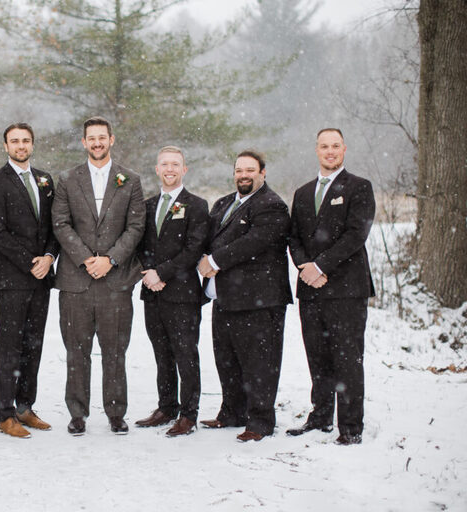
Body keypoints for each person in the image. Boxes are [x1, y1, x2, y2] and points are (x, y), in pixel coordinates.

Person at [52, 116, 146, 436]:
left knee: (115, 350)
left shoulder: (130, 180)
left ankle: (116, 412)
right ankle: (77, 414)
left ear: (111, 140)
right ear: (83, 142)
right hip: (75, 282)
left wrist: (111, 259)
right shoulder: (67, 179)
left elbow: (136, 226)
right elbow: (61, 223)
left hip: (115, 282)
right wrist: (85, 259)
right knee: (76, 352)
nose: (97, 143)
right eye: (91, 138)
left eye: (102, 137)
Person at [286, 128, 375, 445]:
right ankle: (320, 416)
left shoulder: (359, 187)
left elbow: (355, 235)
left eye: (335, 145)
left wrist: (321, 266)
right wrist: (304, 266)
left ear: (344, 149)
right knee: (318, 356)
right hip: (311, 289)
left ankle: (350, 427)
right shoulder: (303, 192)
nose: (330, 151)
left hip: (347, 289)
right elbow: (293, 237)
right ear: (317, 150)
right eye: (324, 146)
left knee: (347, 359)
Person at [197, 150, 292, 442]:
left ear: (263, 172)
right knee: (227, 359)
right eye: (239, 170)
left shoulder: (271, 205)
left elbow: (254, 242)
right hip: (226, 298)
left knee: (259, 362)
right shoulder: (224, 203)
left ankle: (260, 421)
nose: (244, 175)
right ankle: (232, 412)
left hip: (259, 300)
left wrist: (215, 261)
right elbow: (208, 239)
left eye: (250, 170)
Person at [0, 123, 59, 438]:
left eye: (26, 140)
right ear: (6, 146)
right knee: (10, 346)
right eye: (15, 141)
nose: (21, 145)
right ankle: (5, 414)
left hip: (42, 279)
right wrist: (30, 263)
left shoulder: (45, 179)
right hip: (14, 278)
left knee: (34, 345)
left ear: (32, 144)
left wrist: (49, 257)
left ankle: (25, 406)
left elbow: (54, 225)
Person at [135, 146, 209, 437]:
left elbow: (193, 248)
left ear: (184, 169)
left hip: (182, 295)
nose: (169, 169)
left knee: (186, 355)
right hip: (152, 293)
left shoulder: (197, 205)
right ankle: (166, 407)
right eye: (164, 164)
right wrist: (149, 273)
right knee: (162, 354)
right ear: (157, 169)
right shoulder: (147, 205)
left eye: (175, 164)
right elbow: (140, 244)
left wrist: (162, 273)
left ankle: (188, 415)